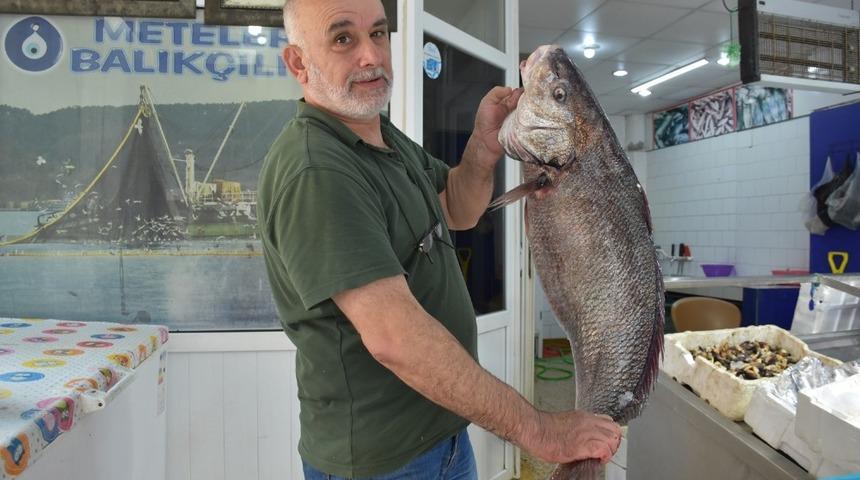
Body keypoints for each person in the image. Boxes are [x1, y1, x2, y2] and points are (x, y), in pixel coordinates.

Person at [256, 0, 623, 478]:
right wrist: (542, 431)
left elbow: (457, 207)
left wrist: (483, 146)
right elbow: (395, 338)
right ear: (299, 63)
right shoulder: (317, 169)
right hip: (383, 462)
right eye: (343, 38)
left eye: (380, 33)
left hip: (444, 436)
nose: (371, 55)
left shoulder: (381, 137)